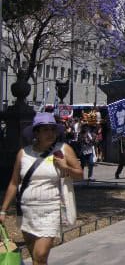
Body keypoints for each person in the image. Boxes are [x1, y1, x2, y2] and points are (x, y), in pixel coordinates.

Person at [0, 113, 83, 265]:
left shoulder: (63, 150)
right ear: (36, 132)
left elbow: (80, 174)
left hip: (50, 209)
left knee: (41, 255)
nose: (51, 133)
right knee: (35, 258)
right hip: (27, 211)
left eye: (53, 129)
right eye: (45, 130)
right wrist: (3, 210)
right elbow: (13, 182)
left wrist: (65, 167)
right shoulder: (23, 153)